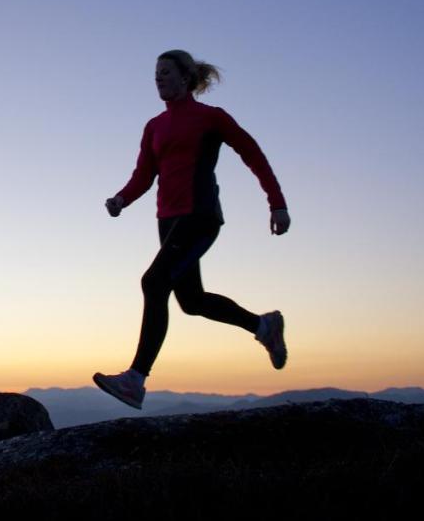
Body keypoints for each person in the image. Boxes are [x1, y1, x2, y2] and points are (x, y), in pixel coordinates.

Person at [93, 49, 291, 410]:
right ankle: (264, 327)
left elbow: (253, 154)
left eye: (165, 72)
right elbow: (144, 175)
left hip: (199, 215)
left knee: (153, 282)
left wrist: (276, 203)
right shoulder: (154, 126)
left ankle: (135, 379)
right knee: (192, 301)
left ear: (186, 78)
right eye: (155, 73)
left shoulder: (210, 118)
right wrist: (121, 199)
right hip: (167, 220)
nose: (158, 78)